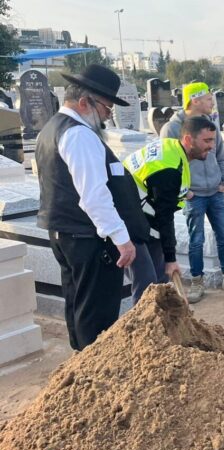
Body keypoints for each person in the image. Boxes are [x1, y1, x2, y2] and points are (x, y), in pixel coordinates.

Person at [35, 64, 149, 351]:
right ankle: (94, 369)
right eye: (106, 108)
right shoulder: (79, 135)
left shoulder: (52, 128)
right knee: (96, 310)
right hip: (87, 238)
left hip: (65, 233)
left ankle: (82, 360)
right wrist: (122, 240)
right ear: (85, 102)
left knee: (78, 302)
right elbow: (93, 195)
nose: (108, 116)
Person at [161, 82, 224, 303]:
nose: (213, 102)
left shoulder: (211, 125)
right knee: (196, 239)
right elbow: (167, 164)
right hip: (194, 195)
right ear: (195, 100)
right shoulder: (172, 129)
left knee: (223, 235)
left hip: (215, 191)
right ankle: (197, 281)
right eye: (209, 99)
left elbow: (221, 154)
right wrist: (185, 191)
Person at [123, 117, 217, 302]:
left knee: (160, 281)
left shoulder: (173, 149)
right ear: (189, 140)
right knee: (147, 285)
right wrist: (171, 258)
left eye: (213, 140)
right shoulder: (169, 167)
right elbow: (164, 214)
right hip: (129, 221)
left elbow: (161, 191)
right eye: (207, 141)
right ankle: (144, 329)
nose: (212, 146)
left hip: (146, 217)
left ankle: (163, 327)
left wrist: (182, 192)